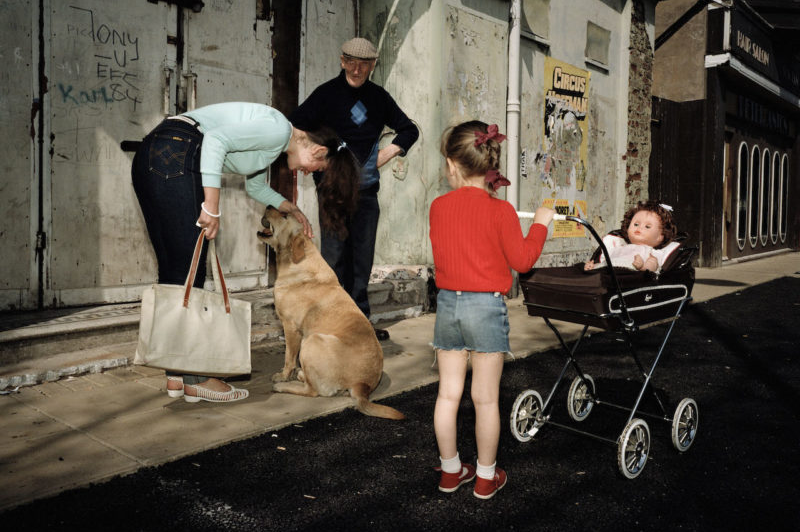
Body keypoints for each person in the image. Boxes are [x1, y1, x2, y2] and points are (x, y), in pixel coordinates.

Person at [132, 102, 359, 403]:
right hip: (176, 151)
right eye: (317, 169)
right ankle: (196, 376)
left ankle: (177, 371)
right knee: (191, 266)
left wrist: (288, 207)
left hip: (159, 154)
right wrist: (211, 205)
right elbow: (215, 141)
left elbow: (254, 186)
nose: (308, 172)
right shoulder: (278, 131)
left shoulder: (273, 143)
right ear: (318, 152)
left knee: (177, 269)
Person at [428, 121, 555, 500]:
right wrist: (541, 226)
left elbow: (459, 237)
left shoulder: (438, 206)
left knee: (448, 395)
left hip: (448, 304)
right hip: (486, 307)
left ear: (452, 165)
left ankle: (451, 471)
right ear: (489, 165)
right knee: (485, 398)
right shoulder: (501, 212)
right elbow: (524, 260)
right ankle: (485, 476)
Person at [289, 37, 419, 341]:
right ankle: (328, 323)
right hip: (332, 193)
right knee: (333, 260)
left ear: (373, 65)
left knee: (362, 261)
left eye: (364, 63)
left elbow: (409, 129)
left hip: (366, 192)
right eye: (350, 61)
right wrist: (313, 154)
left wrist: (386, 154)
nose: (357, 69)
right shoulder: (326, 94)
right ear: (341, 60)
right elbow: (294, 126)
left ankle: (359, 322)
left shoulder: (379, 98)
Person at [584, 200, 678, 273]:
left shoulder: (652, 253)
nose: (639, 228)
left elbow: (653, 266)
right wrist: (594, 266)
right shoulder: (620, 246)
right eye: (636, 224)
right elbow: (606, 262)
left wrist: (643, 266)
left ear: (660, 237)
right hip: (608, 271)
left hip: (629, 274)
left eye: (647, 226)